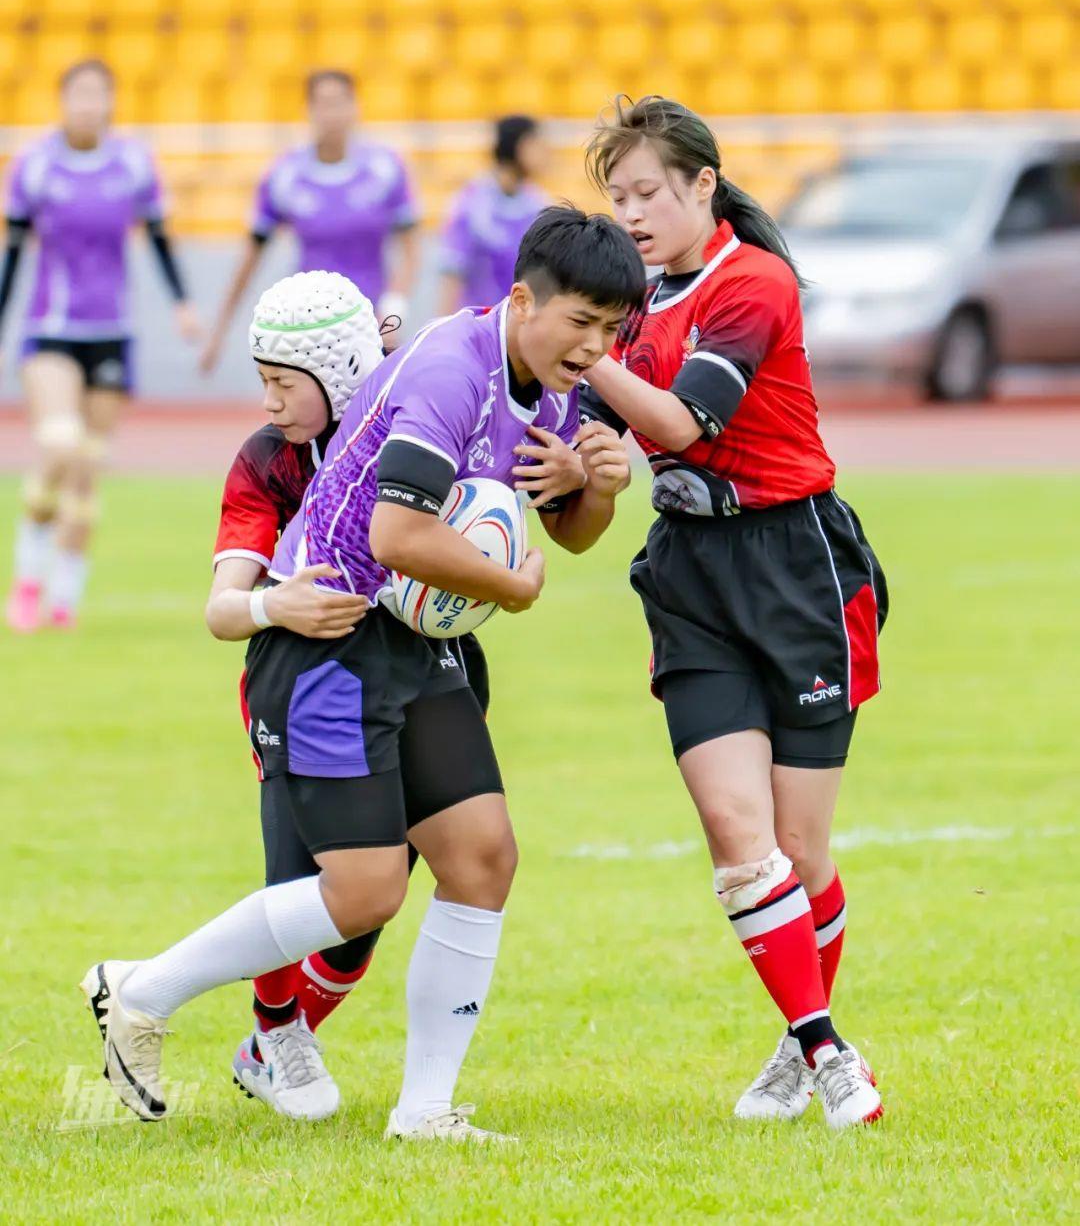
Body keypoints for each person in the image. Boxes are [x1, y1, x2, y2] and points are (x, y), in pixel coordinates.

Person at [82, 206, 645, 1142]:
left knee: (483, 858)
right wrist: (513, 588)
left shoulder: (552, 387)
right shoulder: (451, 370)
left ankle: (424, 1112)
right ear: (522, 300)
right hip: (326, 644)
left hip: (410, 644)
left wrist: (599, 489)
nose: (595, 347)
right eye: (581, 322)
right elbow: (398, 535)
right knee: (366, 892)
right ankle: (140, 990)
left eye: (611, 330)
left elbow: (570, 533)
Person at [206, 269, 587, 1120]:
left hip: (425, 662)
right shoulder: (265, 462)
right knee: (312, 880)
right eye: (262, 381)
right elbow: (221, 608)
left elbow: (535, 494)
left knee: (379, 899)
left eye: (284, 382)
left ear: (340, 370)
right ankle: (270, 1026)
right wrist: (273, 604)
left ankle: (285, 1035)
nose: (269, 403)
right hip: (310, 671)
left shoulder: (423, 406)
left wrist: (583, 477)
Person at [583, 96, 888, 1131]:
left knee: (799, 850)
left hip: (797, 568)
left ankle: (800, 1049)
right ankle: (827, 1049)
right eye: (617, 199)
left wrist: (584, 355)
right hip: (691, 574)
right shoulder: (624, 308)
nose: (630, 215)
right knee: (734, 832)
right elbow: (577, 428)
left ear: (703, 184)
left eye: (646, 193)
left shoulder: (752, 282)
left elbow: (682, 421)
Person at [0, 58, 201, 631]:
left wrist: (182, 303)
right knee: (60, 446)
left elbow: (158, 237)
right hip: (51, 330)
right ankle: (29, 577)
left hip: (113, 332)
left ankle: (64, 600)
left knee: (88, 469)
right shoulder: (35, 166)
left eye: (99, 94)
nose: (89, 105)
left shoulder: (133, 164)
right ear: (63, 102)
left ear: (111, 102)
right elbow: (13, 252)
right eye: (79, 94)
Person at [199, 69, 420, 373]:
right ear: (309, 109)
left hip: (371, 323)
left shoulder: (385, 168)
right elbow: (251, 257)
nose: (332, 114)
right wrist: (219, 333)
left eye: (339, 102)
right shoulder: (286, 175)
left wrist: (393, 314)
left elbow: (411, 252)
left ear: (355, 107)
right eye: (323, 103)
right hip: (308, 327)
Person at [435, 115, 549, 317]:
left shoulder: (539, 206)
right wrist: (443, 324)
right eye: (536, 144)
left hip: (520, 326)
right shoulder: (471, 203)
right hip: (478, 324)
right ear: (518, 146)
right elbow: (453, 274)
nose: (545, 153)